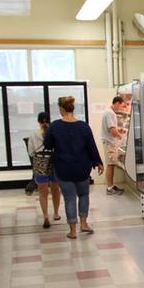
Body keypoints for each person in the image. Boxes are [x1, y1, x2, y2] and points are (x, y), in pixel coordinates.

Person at [44, 96, 103, 240]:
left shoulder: (55, 126)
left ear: (62, 109)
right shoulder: (83, 126)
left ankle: (72, 230)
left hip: (63, 168)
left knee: (69, 198)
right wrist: (98, 162)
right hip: (82, 168)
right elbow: (91, 146)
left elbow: (48, 145)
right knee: (83, 194)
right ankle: (84, 224)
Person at [28, 111, 61, 228]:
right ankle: (56, 213)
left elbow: (31, 152)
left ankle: (45, 216)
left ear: (38, 122)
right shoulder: (54, 133)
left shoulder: (33, 135)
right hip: (54, 162)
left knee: (43, 191)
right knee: (55, 189)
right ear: (49, 121)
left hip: (40, 162)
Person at [101, 95, 128, 195]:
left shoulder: (109, 112)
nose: (121, 108)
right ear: (117, 103)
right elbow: (111, 130)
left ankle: (111, 186)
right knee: (110, 164)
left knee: (111, 164)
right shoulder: (109, 113)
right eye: (121, 106)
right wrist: (120, 136)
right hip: (110, 143)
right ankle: (109, 188)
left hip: (110, 142)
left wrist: (119, 130)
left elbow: (113, 128)